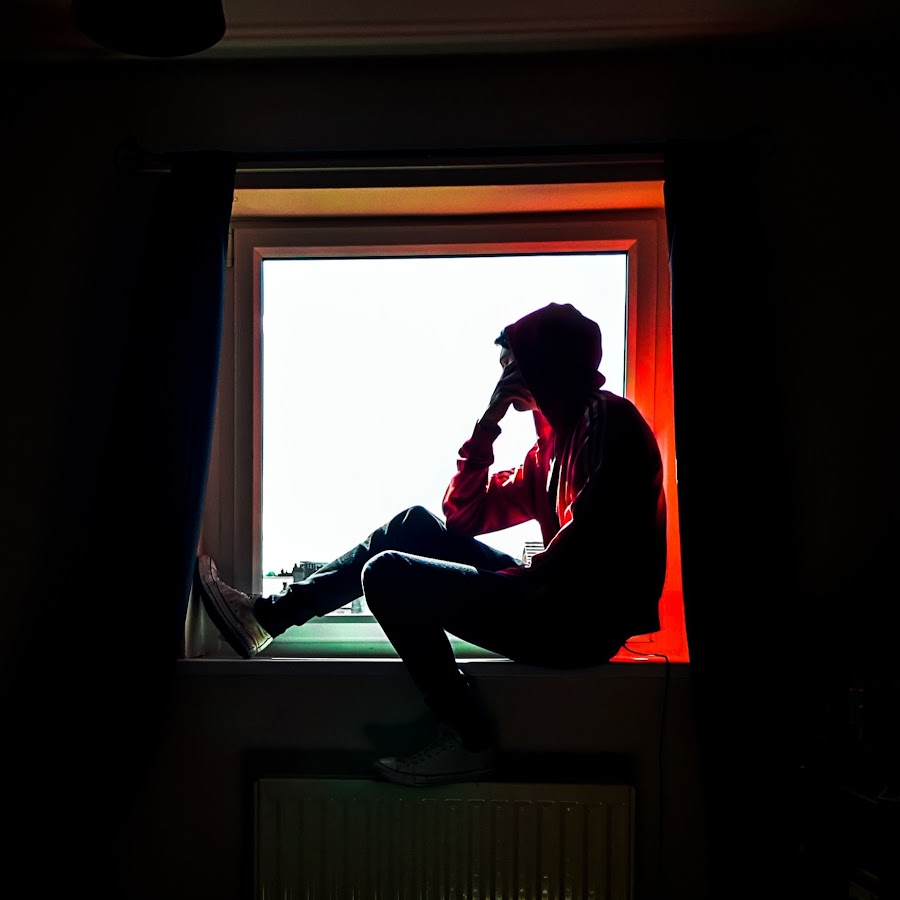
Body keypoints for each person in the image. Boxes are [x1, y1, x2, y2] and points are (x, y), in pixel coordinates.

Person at [194, 301, 667, 787]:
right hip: (552, 601)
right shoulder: (547, 453)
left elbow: (589, 537)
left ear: (542, 364)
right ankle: (265, 619)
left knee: (388, 574)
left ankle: (469, 737)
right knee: (414, 525)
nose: (504, 381)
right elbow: (463, 516)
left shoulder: (604, 417)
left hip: (581, 621)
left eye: (511, 367)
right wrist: (489, 421)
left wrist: (514, 581)